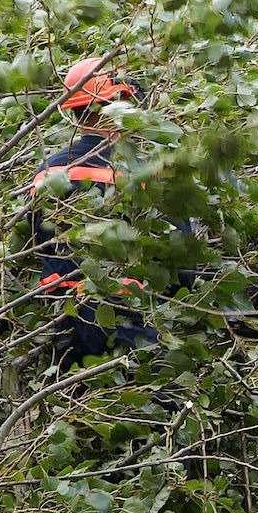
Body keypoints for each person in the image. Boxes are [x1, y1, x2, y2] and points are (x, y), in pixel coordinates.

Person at [31, 58, 158, 367]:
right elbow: (178, 260)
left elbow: (40, 242)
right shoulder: (140, 174)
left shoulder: (46, 173)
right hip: (127, 320)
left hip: (64, 319)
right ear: (121, 104)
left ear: (72, 111)